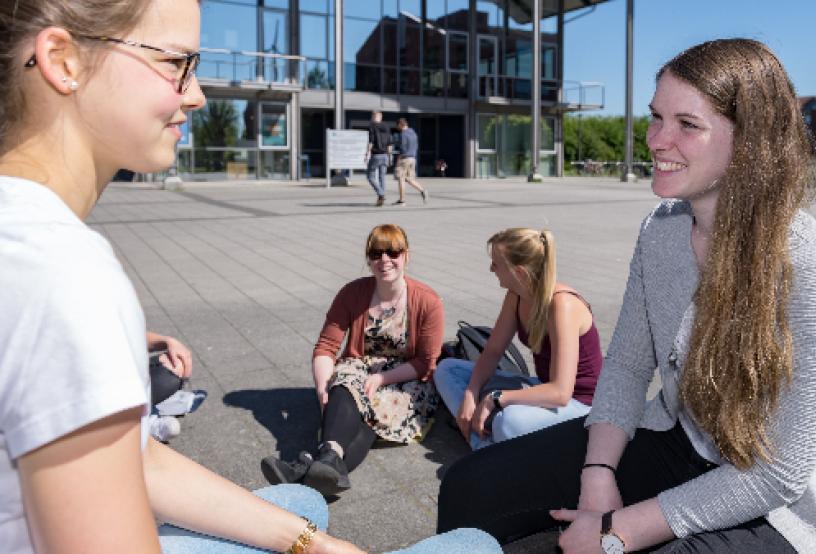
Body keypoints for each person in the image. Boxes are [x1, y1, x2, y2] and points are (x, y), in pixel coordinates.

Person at [0, 2, 497, 553]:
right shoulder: (62, 269)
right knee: (473, 544)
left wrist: (313, 544)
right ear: (62, 60)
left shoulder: (29, 240)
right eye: (175, 63)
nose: (196, 94)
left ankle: (321, 476)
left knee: (304, 510)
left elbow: (133, 457)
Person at [437, 38, 816, 553]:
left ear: (751, 142)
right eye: (655, 117)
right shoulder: (662, 231)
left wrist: (616, 533)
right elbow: (626, 367)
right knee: (469, 487)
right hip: (682, 439)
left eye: (687, 125)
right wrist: (598, 474)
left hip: (784, 505)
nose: (656, 139)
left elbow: (780, 474)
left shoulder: (811, 264)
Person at [262, 224, 445, 497]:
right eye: (376, 253)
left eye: (393, 252)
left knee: (373, 411)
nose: (385, 260)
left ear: (406, 255)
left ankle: (301, 472)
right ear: (368, 259)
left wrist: (382, 378)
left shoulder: (428, 301)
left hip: (405, 377)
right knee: (344, 380)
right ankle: (329, 460)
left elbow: (426, 363)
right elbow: (326, 347)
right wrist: (325, 390)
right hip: (360, 366)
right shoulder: (352, 293)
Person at [433, 228, 603, 450]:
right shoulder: (517, 295)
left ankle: (483, 445)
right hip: (543, 388)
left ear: (519, 272)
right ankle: (484, 436)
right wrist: (471, 394)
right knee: (446, 369)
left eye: (496, 264)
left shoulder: (563, 305)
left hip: (582, 405)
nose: (491, 269)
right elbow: (493, 352)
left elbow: (561, 393)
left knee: (509, 421)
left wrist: (496, 398)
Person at [393, 117, 428, 205]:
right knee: (409, 179)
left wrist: (398, 159)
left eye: (397, 126)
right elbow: (416, 146)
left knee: (401, 178)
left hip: (404, 159)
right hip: (413, 158)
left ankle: (402, 200)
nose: (397, 128)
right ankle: (423, 191)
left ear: (401, 124)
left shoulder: (403, 134)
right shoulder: (414, 133)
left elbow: (403, 149)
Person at [365, 111, 392, 207]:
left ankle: (381, 193)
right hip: (385, 155)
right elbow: (389, 143)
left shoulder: (372, 126)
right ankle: (381, 198)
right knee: (382, 177)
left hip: (376, 155)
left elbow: (371, 142)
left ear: (374, 117)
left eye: (372, 116)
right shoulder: (386, 126)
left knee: (370, 176)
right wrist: (389, 157)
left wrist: (367, 154)